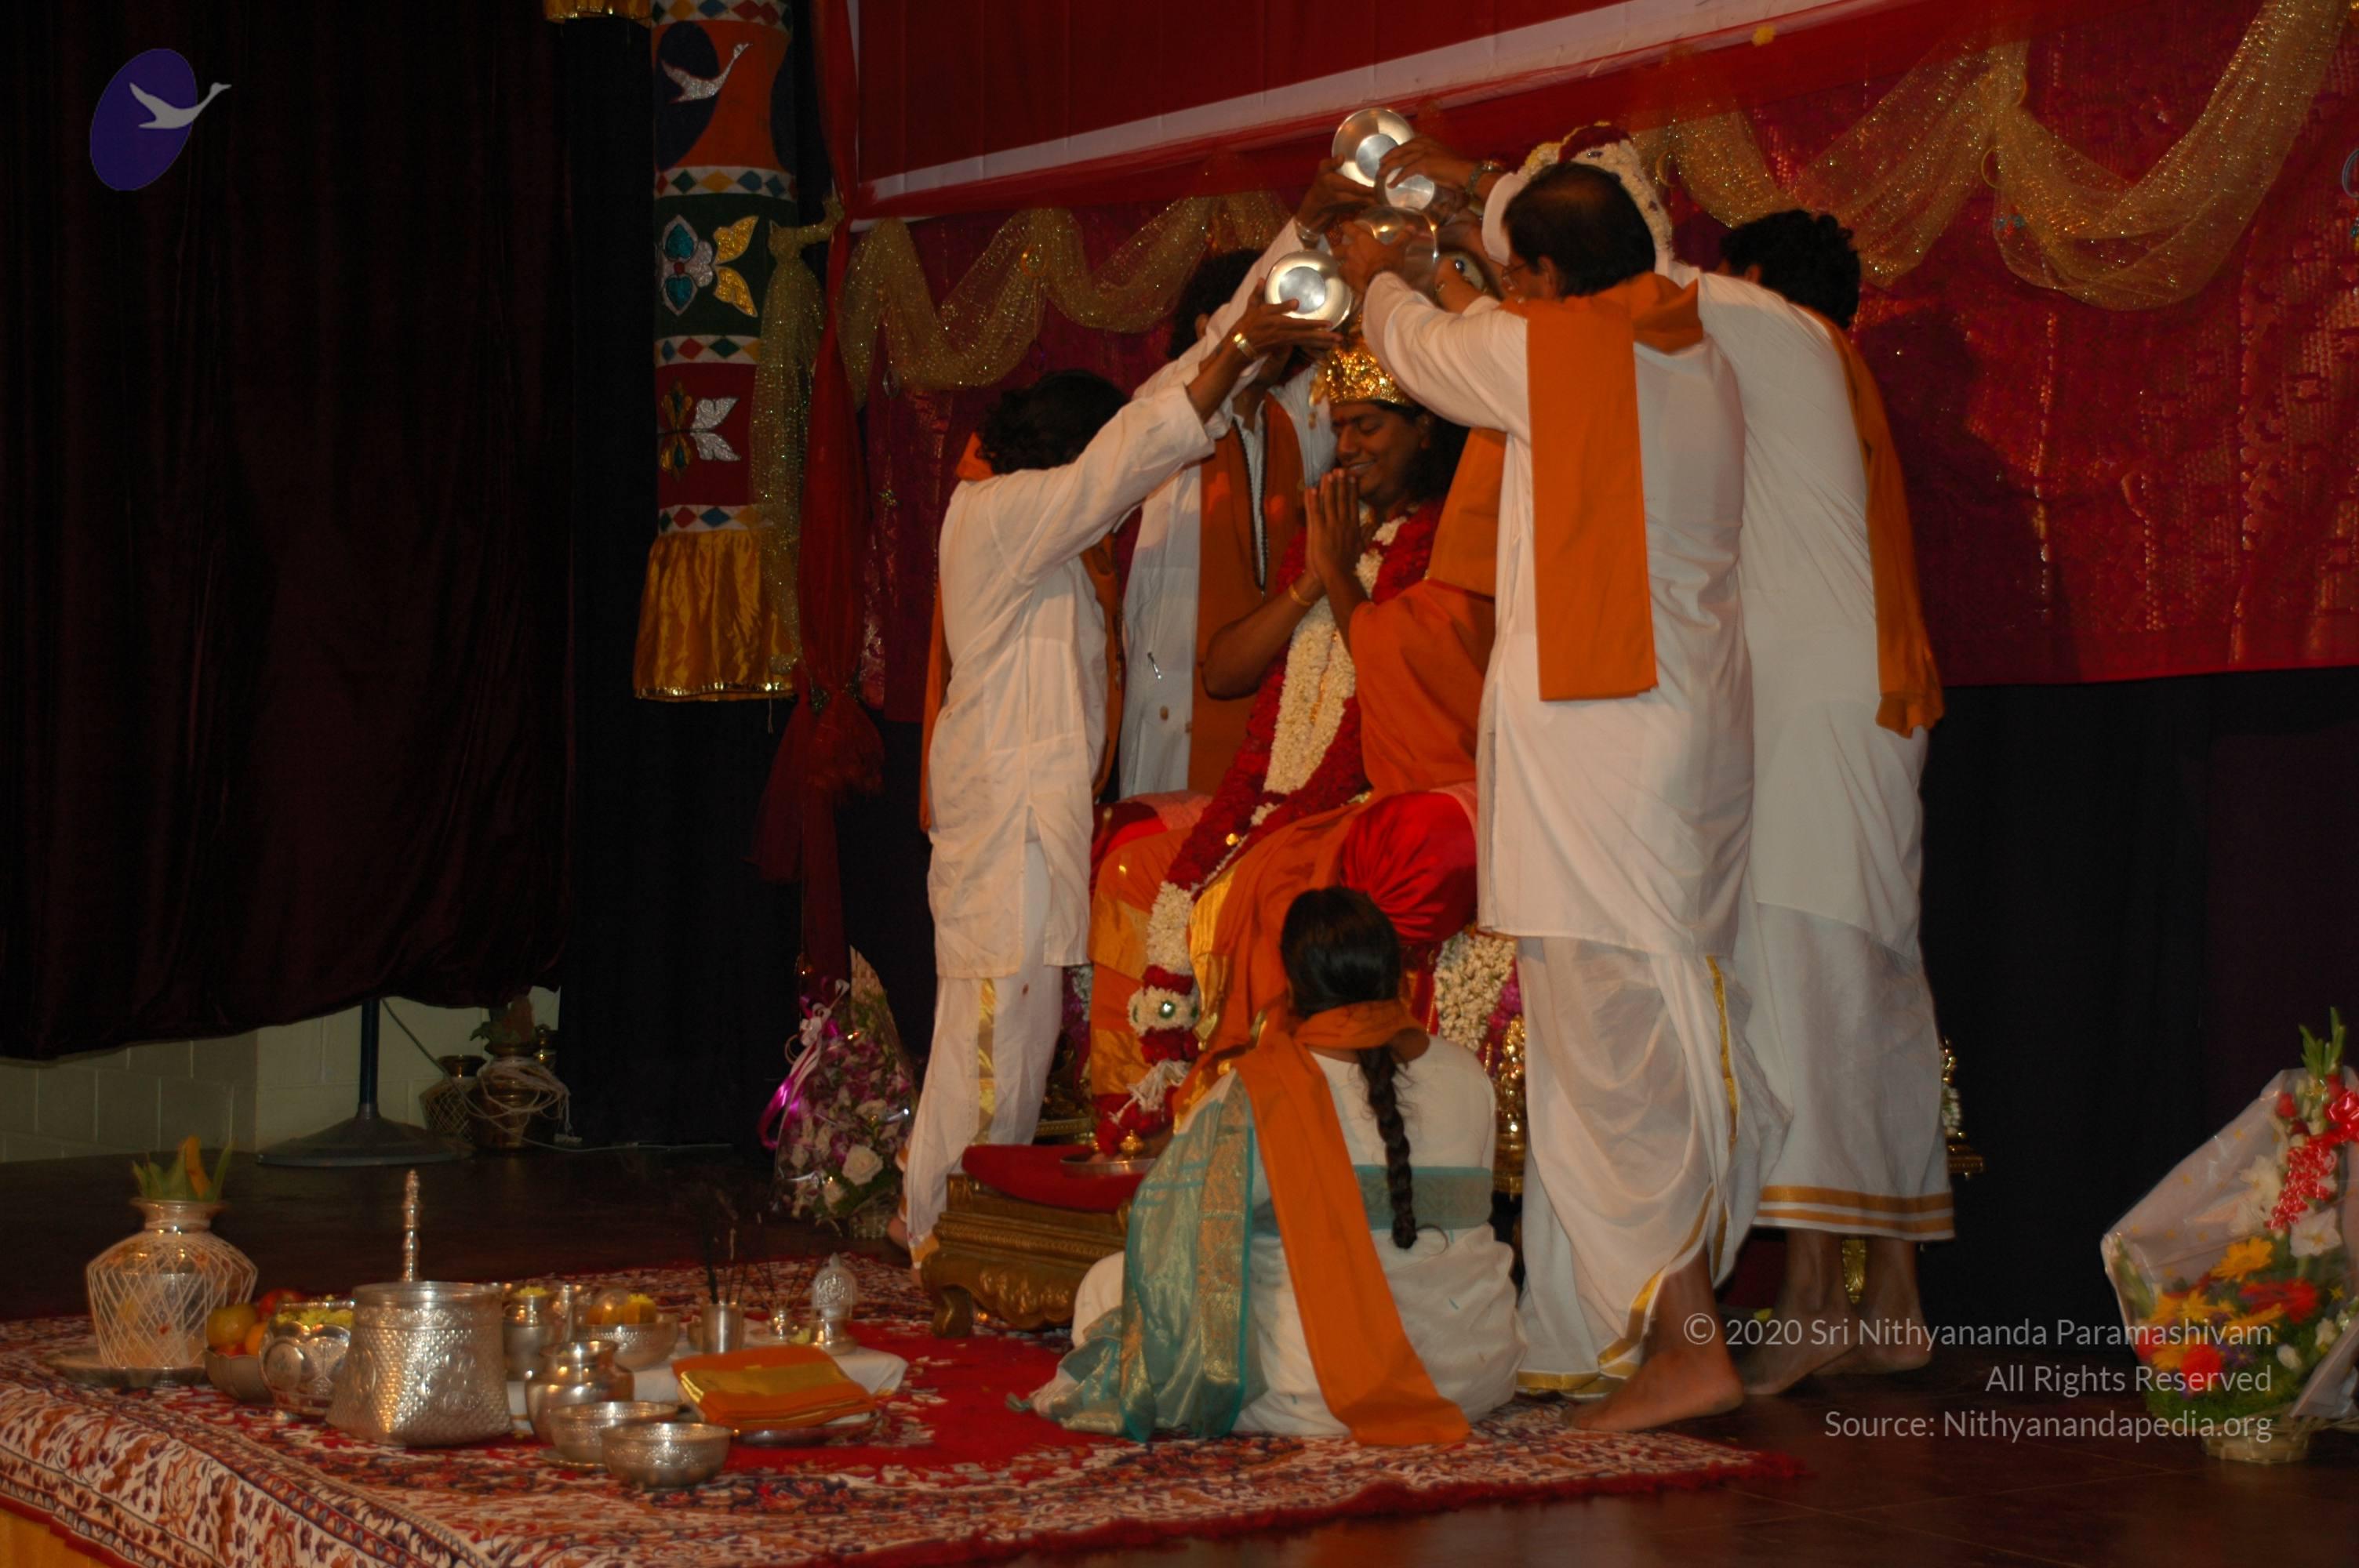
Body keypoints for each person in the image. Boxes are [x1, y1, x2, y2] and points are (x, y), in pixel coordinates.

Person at [1338, 162, 1787, 1432]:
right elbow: (1486, 336)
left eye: (1517, 281)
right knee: (1644, 1037)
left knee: (1611, 1057)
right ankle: (1610, 1333)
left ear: (1540, 279)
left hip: (1601, 755)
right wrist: (1452, 273)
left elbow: (1424, 352)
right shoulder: (1687, 349)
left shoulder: (1556, 357)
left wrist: (1375, 274)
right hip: (1679, 743)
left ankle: (1684, 1340)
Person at [897, 295, 1340, 1269]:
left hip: (1021, 829)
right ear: (1063, 454)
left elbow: (1141, 422)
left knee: (1006, 1050)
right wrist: (1238, 346)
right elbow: (1125, 457)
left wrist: (1236, 338)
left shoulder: (1033, 531)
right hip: (1001, 834)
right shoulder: (1004, 514)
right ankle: (941, 1237)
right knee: (989, 1054)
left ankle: (947, 1229)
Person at [1085, 336, 1485, 1152]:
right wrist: (1312, 573)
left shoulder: (1449, 544)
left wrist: (1339, 573)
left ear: (1425, 432)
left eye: (1369, 425)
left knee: (1274, 891)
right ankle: (1138, 1114)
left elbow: (1399, 677)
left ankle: (1261, 1130)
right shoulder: (1328, 535)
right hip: (1268, 801)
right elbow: (1224, 670)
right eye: (1340, 428)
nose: (1349, 446)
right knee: (1133, 869)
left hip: (1370, 797)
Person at [1687, 209, 1950, 1392]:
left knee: (1807, 987)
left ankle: (1811, 1301)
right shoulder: (1828, 374)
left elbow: (1631, 281)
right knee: (1870, 990)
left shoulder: (1786, 340)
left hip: (1817, 706)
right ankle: (1891, 1301)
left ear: (1753, 285)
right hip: (1854, 699)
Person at [1034, 887, 1522, 1442]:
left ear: (1292, 985)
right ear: (1398, 974)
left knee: (1108, 1283)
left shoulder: (1254, 1091)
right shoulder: (1466, 1074)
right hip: (1478, 1374)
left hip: (1319, 1391)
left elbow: (1175, 1242)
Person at [1118, 251, 1336, 797]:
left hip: (1269, 721)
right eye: (1263, 315)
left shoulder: (1293, 423)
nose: (1274, 333)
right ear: (1209, 330)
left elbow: (1375, 356)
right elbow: (1207, 367)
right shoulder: (1167, 418)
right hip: (1179, 717)